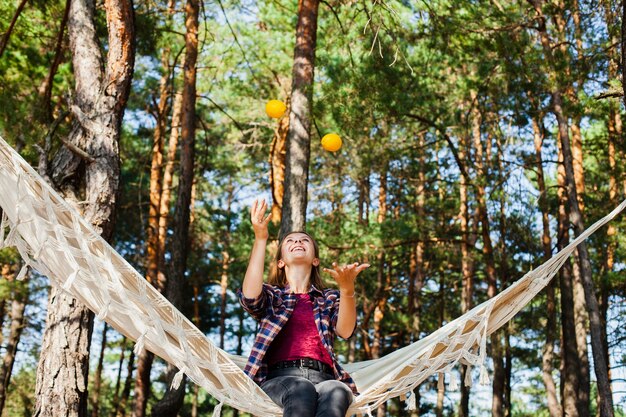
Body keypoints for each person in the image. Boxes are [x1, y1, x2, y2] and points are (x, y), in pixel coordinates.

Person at [238, 199, 369, 417]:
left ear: (315, 260)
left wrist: (347, 290)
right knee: (302, 389)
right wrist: (261, 238)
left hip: (325, 378)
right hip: (279, 380)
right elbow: (251, 297)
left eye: (304, 240)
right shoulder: (274, 296)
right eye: (290, 240)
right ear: (281, 261)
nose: (298, 241)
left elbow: (345, 331)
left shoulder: (328, 298)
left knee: (339, 390)